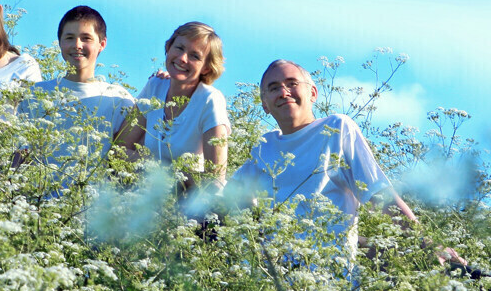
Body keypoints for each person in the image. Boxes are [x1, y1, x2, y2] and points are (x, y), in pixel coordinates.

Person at [229, 59, 462, 264]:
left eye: (292, 83)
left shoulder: (336, 129)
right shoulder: (263, 148)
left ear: (313, 93)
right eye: (274, 88)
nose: (284, 92)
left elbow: (378, 194)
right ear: (265, 105)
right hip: (272, 285)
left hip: (329, 284)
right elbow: (224, 202)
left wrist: (427, 243)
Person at [14, 6, 135, 187]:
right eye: (70, 38)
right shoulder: (35, 95)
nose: (77, 45)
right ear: (60, 42)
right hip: (38, 205)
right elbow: (19, 157)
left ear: (102, 44)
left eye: (86, 38)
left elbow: (127, 159)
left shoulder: (118, 99)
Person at [122, 22, 230, 206]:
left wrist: (157, 169)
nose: (182, 58)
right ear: (168, 48)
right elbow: (120, 149)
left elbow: (215, 180)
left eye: (195, 56)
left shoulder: (210, 100)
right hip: (143, 198)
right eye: (179, 48)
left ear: (206, 67)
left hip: (188, 204)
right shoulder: (155, 86)